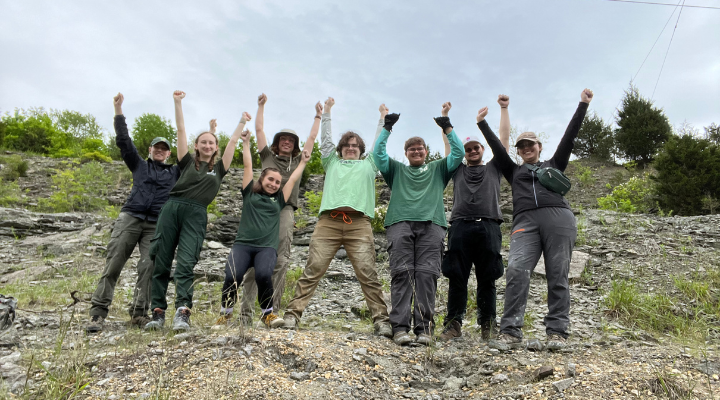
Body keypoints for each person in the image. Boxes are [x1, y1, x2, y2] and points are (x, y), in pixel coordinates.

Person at [475, 89, 593, 351]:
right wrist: (482, 123)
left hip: (559, 219)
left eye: (531, 144)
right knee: (517, 269)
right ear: (518, 152)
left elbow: (570, 137)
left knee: (557, 274)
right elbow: (496, 147)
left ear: (539, 147)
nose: (526, 148)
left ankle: (557, 332)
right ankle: (510, 332)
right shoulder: (513, 170)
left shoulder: (555, 163)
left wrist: (583, 104)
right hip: (524, 221)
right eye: (522, 146)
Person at [281, 98, 392, 337]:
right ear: (341, 149)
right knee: (313, 269)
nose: (351, 147)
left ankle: (382, 321)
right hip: (328, 223)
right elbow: (326, 141)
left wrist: (383, 118)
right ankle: (292, 315)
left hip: (359, 224)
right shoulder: (331, 162)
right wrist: (327, 112)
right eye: (347, 145)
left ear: (361, 150)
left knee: (368, 273)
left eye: (355, 145)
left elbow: (378, 144)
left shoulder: (369, 165)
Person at [144, 90, 250, 331]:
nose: (207, 145)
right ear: (196, 145)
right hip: (173, 209)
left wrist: (242, 121)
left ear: (215, 147)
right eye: (203, 141)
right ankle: (158, 312)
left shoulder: (220, 168)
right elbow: (181, 130)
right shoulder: (187, 162)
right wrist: (178, 102)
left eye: (211, 142)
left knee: (185, 263)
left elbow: (232, 142)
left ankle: (182, 312)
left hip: (197, 213)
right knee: (160, 260)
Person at [86, 92, 190, 333]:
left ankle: (138, 313)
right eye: (157, 147)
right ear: (150, 149)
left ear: (169, 154)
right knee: (113, 264)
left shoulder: (175, 172)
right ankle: (97, 314)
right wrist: (118, 110)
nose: (160, 151)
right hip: (130, 218)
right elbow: (123, 141)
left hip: (156, 225)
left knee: (149, 267)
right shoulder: (139, 165)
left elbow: (188, 152)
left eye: (165, 149)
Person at [372, 102, 464, 346]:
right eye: (411, 149)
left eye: (419, 148)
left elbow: (458, 154)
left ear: (426, 151)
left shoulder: (438, 169)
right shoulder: (396, 170)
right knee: (402, 275)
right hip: (400, 224)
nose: (416, 151)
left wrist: (447, 126)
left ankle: (425, 329)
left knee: (427, 275)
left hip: (432, 226)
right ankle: (400, 328)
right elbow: (377, 154)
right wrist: (387, 127)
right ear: (406, 153)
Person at [216, 129, 311, 328]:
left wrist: (303, 162)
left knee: (263, 275)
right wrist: (245, 143)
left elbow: (292, 179)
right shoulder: (249, 193)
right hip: (243, 245)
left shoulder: (279, 201)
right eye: (270, 180)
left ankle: (268, 314)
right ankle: (225, 315)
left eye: (277, 182)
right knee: (232, 276)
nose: (274, 184)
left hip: (265, 248)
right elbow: (248, 164)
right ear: (262, 179)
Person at [239, 94, 321, 323]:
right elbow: (259, 130)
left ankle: (271, 312)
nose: (287, 142)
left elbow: (312, 138)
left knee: (281, 259)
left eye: (291, 140)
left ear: (294, 146)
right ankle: (245, 313)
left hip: (285, 210)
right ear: (277, 143)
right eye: (283, 139)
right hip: (261, 208)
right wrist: (261, 106)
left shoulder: (298, 161)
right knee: (254, 259)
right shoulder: (267, 157)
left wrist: (318, 115)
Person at [437, 95, 511, 342]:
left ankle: (488, 325)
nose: (471, 151)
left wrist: (503, 109)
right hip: (459, 227)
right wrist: (445, 119)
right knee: (457, 277)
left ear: (482, 150)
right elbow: (450, 148)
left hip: (489, 226)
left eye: (475, 148)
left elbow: (503, 140)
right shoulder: (456, 169)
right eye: (468, 149)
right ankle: (453, 324)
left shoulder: (494, 168)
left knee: (487, 278)